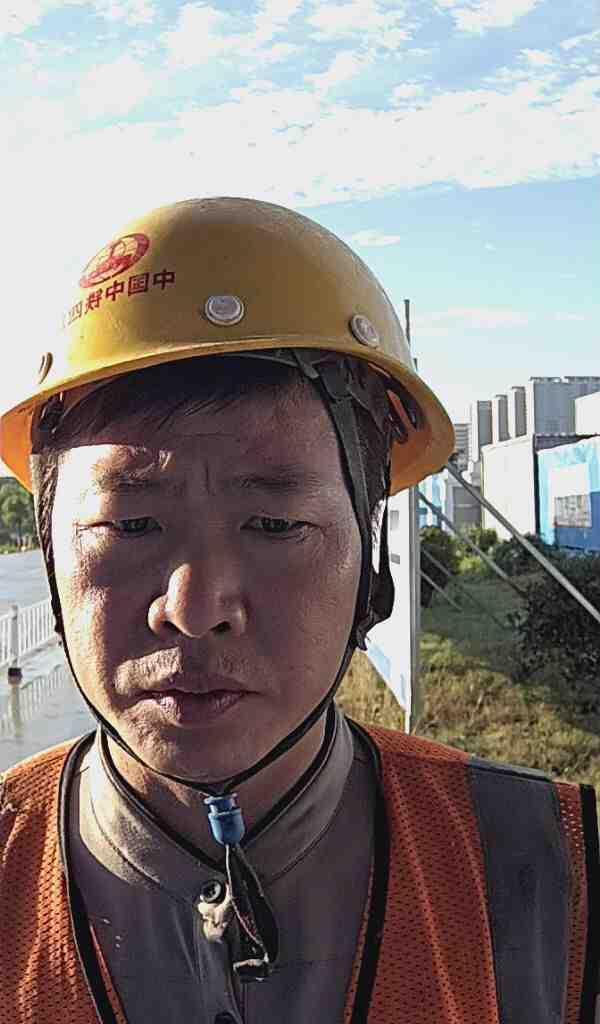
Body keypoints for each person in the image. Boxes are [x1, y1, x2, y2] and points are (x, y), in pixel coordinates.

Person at [0, 197, 597, 1024]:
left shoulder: (557, 868)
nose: (195, 610)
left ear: (369, 551)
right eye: (130, 525)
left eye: (275, 525)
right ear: (50, 549)